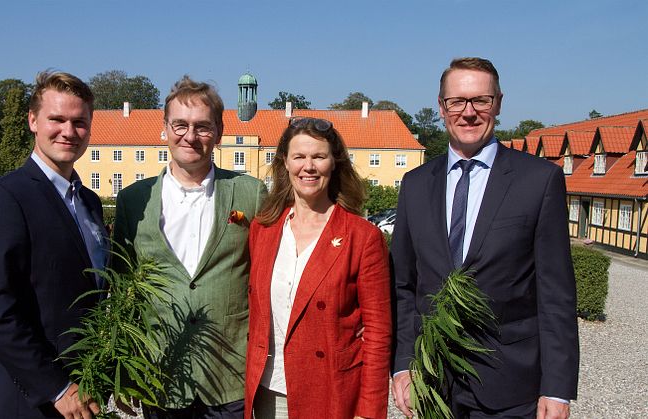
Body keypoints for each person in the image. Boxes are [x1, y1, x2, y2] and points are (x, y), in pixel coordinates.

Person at [390, 57, 579, 419]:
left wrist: (557, 388)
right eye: (457, 101)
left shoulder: (538, 181)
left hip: (511, 385)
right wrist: (402, 365)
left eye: (481, 100)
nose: (469, 112)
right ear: (442, 107)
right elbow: (403, 287)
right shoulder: (414, 185)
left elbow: (556, 293)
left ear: (499, 104)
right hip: (433, 382)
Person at [112, 75, 268, 418]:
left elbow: (273, 275)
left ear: (219, 132)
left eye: (202, 126)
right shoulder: (134, 200)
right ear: (164, 129)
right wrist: (123, 371)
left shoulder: (251, 193)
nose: (190, 136)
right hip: (160, 371)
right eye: (180, 125)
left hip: (229, 371)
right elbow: (122, 289)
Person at [0, 71, 107, 418]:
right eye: (56, 119)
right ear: (33, 120)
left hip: (81, 390)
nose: (68, 132)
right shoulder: (4, 197)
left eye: (79, 122)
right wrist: (55, 386)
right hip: (24, 398)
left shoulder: (88, 201)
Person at [245, 117, 392, 419]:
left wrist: (369, 410)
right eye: (299, 156)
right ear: (285, 162)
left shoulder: (362, 237)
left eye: (319, 157)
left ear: (334, 163)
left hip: (329, 392)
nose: (308, 167)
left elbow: (378, 332)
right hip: (265, 391)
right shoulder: (264, 229)